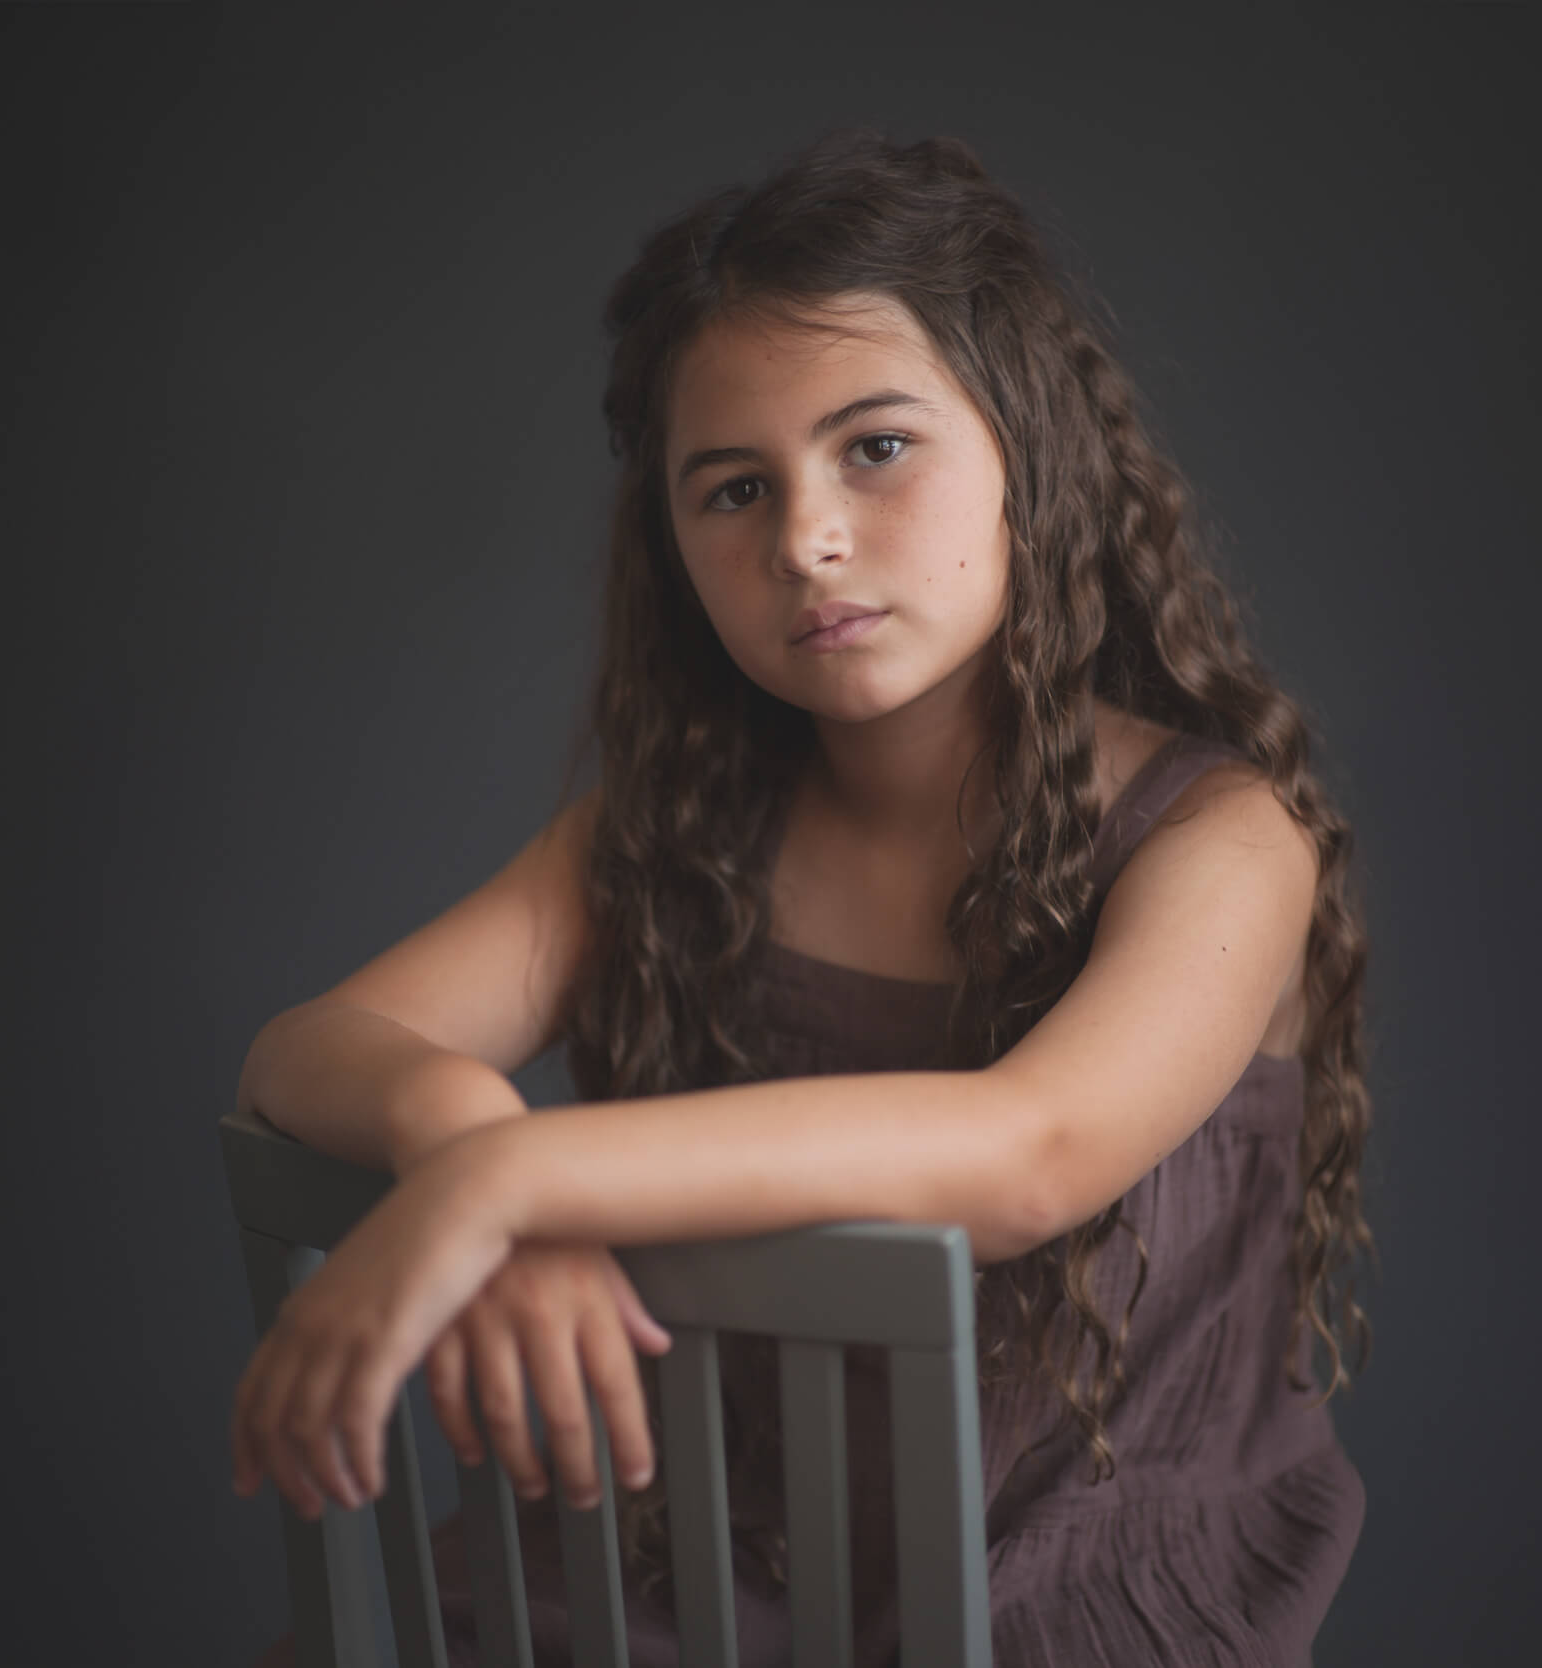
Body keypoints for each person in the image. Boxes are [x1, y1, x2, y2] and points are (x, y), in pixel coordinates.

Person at [234, 126, 1374, 1667]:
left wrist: (518, 1190)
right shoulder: (664, 836)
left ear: (1030, 451)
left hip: (1070, 1613)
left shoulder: (1219, 839)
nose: (806, 539)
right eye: (729, 489)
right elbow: (309, 1047)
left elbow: (1031, 1151)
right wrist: (461, 1133)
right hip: (683, 1601)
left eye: (875, 447)